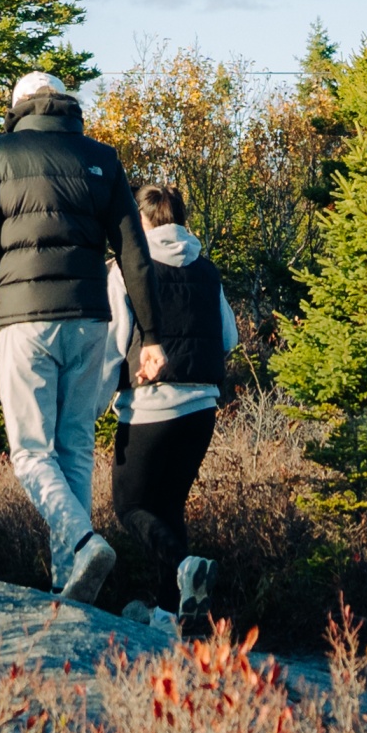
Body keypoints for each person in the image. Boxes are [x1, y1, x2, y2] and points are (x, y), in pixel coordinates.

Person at [0, 68, 164, 605]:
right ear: (62, 104)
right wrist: (153, 335)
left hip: (25, 323)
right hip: (92, 321)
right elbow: (133, 255)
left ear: (19, 106)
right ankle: (65, 583)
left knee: (29, 452)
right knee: (73, 449)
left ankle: (83, 541)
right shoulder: (103, 158)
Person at [105, 180, 242, 621]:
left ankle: (184, 568)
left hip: (150, 408)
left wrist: (102, 392)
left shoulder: (127, 267)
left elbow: (115, 340)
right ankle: (168, 614)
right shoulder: (206, 269)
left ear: (141, 220)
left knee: (130, 505)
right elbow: (230, 337)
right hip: (201, 408)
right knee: (168, 508)